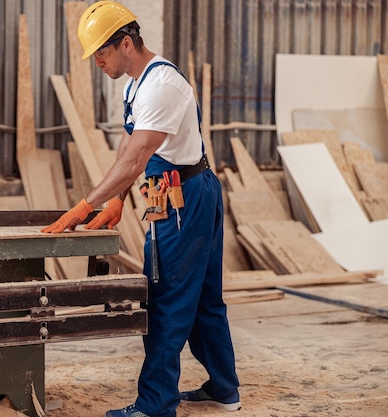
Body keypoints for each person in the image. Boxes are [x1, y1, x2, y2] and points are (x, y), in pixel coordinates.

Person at [41, 1, 240, 417]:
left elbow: (134, 160)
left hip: (183, 198)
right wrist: (117, 199)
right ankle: (224, 388)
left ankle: (155, 404)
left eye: (101, 52)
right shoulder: (137, 83)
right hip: (178, 192)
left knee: (165, 300)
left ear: (126, 43)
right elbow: (131, 150)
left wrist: (83, 206)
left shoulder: (160, 86)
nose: (97, 62)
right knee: (203, 299)